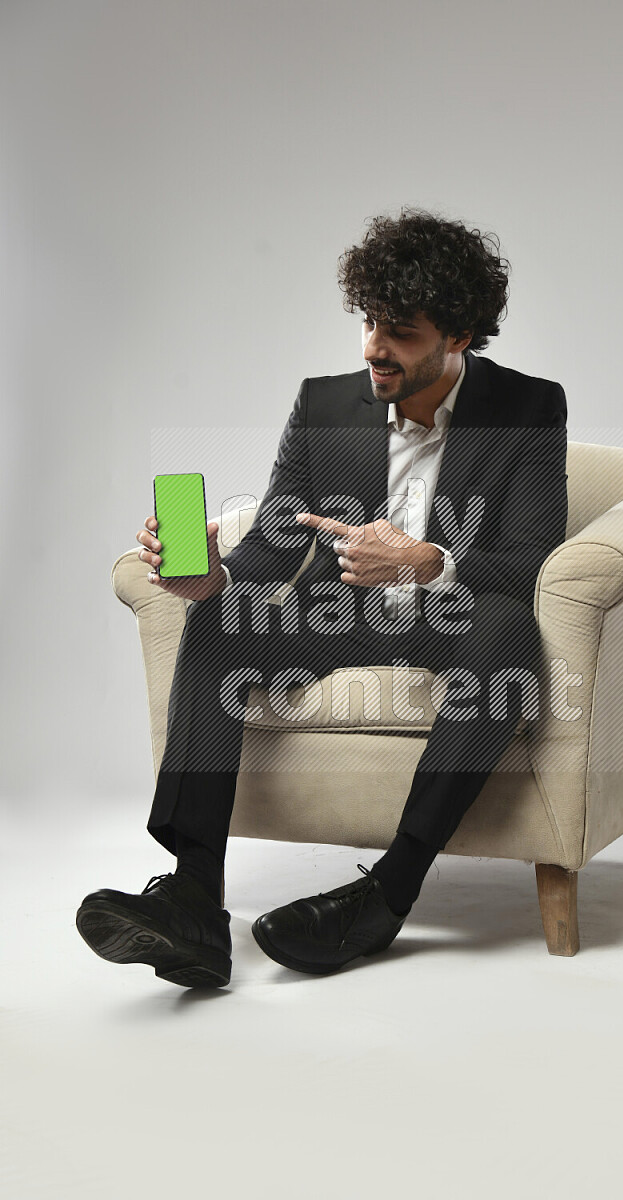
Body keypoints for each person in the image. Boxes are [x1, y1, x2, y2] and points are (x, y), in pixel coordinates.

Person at [76, 209, 568, 987]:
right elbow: (275, 540)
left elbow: (530, 562)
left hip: (457, 617)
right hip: (349, 616)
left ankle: (388, 892)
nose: (374, 347)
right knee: (221, 620)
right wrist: (214, 575)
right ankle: (197, 901)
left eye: (400, 331)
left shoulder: (528, 409)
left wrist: (426, 561)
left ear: (459, 336)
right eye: (370, 322)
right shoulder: (324, 405)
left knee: (506, 632)